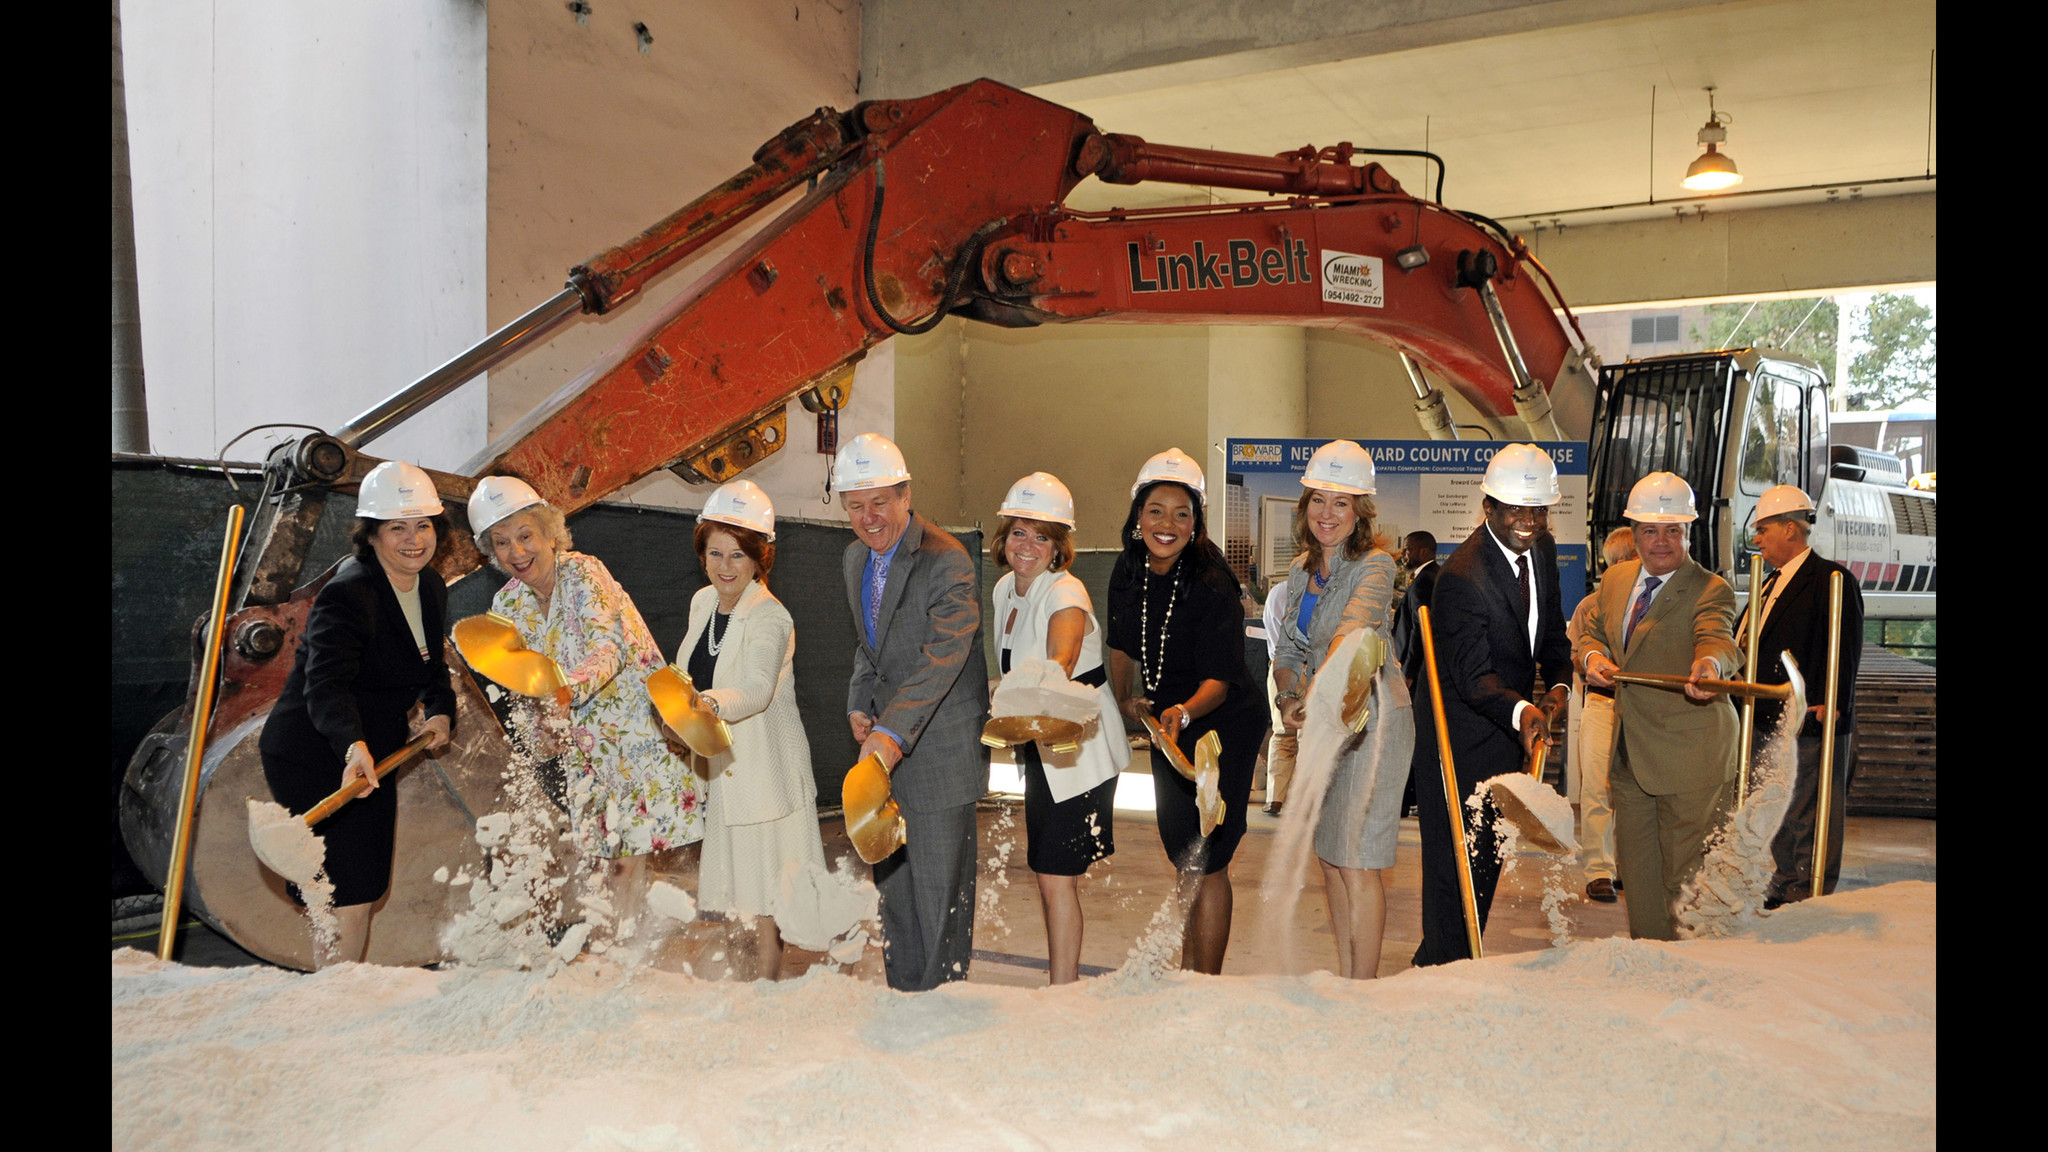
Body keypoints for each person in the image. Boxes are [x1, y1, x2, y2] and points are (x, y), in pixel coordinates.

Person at [469, 476, 700, 935]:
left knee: (626, 858)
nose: (516, 552)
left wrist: (563, 694)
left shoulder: (584, 573)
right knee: (605, 858)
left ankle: (629, 950)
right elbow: (523, 684)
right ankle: (625, 944)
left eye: (525, 535)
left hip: (636, 734)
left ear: (550, 533)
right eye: (501, 543)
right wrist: (540, 734)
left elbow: (607, 649)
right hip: (584, 748)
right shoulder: (506, 603)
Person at [259, 460, 455, 967]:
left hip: (376, 745)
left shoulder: (430, 586)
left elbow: (431, 665)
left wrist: (440, 711)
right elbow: (324, 686)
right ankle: (337, 994)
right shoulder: (349, 592)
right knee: (339, 886)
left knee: (365, 881)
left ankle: (341, 985)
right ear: (371, 535)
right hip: (316, 747)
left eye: (423, 525)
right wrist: (352, 746)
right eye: (397, 528)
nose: (413, 539)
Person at [677, 480, 855, 978]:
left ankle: (768, 992)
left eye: (737, 555)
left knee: (766, 899)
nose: (724, 567)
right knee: (735, 894)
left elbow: (756, 690)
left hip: (765, 775)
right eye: (715, 554)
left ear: (760, 557)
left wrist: (704, 703)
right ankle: (744, 992)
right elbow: (687, 671)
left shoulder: (771, 616)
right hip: (724, 772)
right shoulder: (701, 604)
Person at [1106, 447, 1269, 975]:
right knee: (1184, 852)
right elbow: (1120, 647)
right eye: (1156, 510)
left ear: (1196, 522)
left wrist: (1181, 711)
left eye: (1182, 513)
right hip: (1168, 725)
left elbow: (1220, 682)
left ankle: (1207, 982)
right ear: (1137, 516)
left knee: (1211, 855)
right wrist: (1127, 699)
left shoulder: (1211, 580)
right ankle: (1187, 969)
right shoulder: (1128, 570)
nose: (1167, 524)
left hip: (1221, 721)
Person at [836, 433, 990, 991]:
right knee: (895, 894)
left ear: (906, 495)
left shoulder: (947, 560)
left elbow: (942, 657)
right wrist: (861, 704)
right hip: (884, 750)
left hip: (937, 752)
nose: (869, 517)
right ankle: (905, 1002)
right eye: (856, 505)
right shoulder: (855, 558)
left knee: (939, 899)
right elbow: (868, 646)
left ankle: (943, 1012)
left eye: (880, 502)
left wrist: (891, 732)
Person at [1412, 444, 1572, 967]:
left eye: (1538, 511)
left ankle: (1449, 959)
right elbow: (1472, 678)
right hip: (1457, 734)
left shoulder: (1541, 551)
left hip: (1506, 729)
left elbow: (1550, 632)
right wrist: (1524, 712)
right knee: (1453, 860)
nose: (1528, 522)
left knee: (1484, 859)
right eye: (1516, 511)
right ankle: (1441, 971)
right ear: (1489, 510)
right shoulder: (1462, 577)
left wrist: (1560, 687)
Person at [1576, 472, 1742, 941]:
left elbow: (1718, 637)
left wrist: (1709, 666)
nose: (1662, 541)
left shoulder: (1710, 589)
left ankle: (1690, 971)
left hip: (1691, 757)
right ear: (1635, 533)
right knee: (1641, 875)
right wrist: (1591, 657)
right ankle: (1650, 963)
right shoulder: (1615, 580)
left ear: (1689, 532)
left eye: (1674, 530)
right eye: (1651, 530)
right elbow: (1591, 633)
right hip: (1629, 756)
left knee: (1686, 880)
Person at [1271, 440, 1414, 980]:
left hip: (1374, 724)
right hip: (1325, 722)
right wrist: (1289, 697)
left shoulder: (1375, 565)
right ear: (1304, 506)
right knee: (1330, 856)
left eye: (1341, 503)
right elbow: (1287, 649)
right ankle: (1346, 976)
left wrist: (1315, 693)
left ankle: (1364, 989)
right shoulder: (1300, 571)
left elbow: (1353, 631)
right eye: (1318, 501)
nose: (1326, 514)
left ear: (1360, 513)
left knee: (1359, 860)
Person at [988, 472, 1129, 984]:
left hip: (1078, 755)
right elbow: (1014, 670)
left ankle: (1063, 990)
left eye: (1041, 536)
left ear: (1058, 546)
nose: (1027, 546)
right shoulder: (1006, 588)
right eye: (1019, 532)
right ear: (1004, 537)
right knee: (1048, 872)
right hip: (1041, 743)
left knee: (1055, 876)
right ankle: (1061, 986)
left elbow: (1059, 659)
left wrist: (1020, 690)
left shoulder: (1066, 591)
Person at [1742, 484, 1864, 909]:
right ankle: (1787, 876)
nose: (1757, 539)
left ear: (1790, 530)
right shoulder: (1769, 582)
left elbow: (1843, 646)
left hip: (1811, 717)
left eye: (1763, 529)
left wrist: (1833, 703)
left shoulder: (1830, 579)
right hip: (1767, 716)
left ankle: (1808, 888)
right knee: (1781, 805)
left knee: (1808, 809)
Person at [1569, 526, 1637, 903]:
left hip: (1644, 706)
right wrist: (1590, 661)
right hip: (1601, 702)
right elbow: (1576, 657)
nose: (1621, 569)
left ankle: (1631, 866)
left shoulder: (1656, 604)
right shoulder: (1590, 606)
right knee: (1596, 786)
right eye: (1616, 564)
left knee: (1638, 789)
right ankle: (1598, 870)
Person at [1259, 581, 1296, 816]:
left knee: (1282, 734)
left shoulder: (1276, 593)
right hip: (1310, 668)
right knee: (1312, 737)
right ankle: (1308, 801)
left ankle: (1275, 797)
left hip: (1277, 668)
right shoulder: (1318, 590)